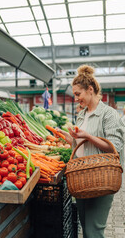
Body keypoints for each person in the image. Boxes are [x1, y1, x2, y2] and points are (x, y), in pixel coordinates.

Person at [58, 65, 124, 238]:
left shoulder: (108, 114)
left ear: (90, 89)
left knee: (94, 231)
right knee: (86, 230)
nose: (76, 99)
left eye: (78, 94)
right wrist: (68, 137)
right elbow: (81, 143)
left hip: (101, 178)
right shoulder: (81, 115)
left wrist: (86, 135)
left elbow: (114, 147)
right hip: (82, 179)